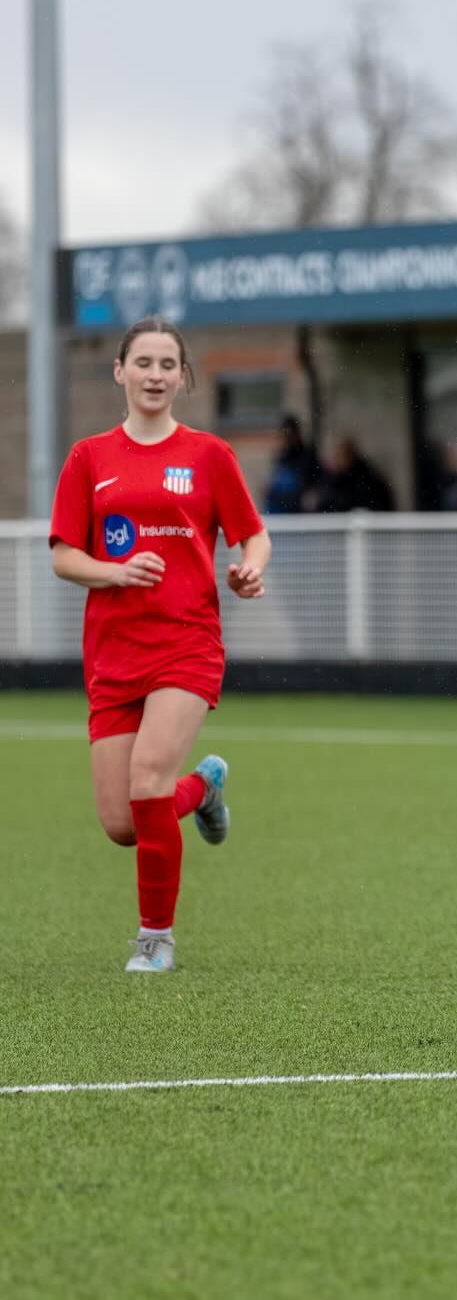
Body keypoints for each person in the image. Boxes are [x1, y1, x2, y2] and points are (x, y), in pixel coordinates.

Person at [48, 316, 270, 973]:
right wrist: (111, 572)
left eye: (167, 364)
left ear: (182, 378)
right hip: (113, 653)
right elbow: (63, 555)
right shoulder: (89, 457)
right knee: (123, 823)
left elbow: (251, 534)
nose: (154, 375)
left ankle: (155, 940)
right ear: (120, 371)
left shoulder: (209, 456)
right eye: (142, 362)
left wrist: (250, 567)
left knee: (147, 779)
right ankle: (202, 789)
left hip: (186, 642)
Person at [315, 435, 395, 513]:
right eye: (332, 455)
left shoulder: (367, 482)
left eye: (339, 455)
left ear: (350, 455)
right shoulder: (323, 481)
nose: (335, 460)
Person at [263, 414, 323, 515]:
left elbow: (306, 491)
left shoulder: (307, 457)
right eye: (283, 436)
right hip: (280, 511)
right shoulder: (282, 458)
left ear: (296, 434)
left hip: (297, 511)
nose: (285, 440)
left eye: (288, 436)